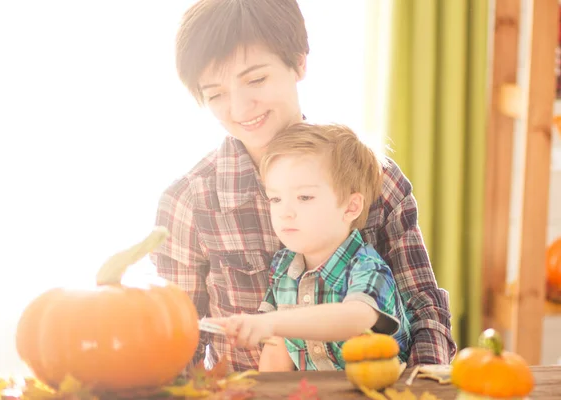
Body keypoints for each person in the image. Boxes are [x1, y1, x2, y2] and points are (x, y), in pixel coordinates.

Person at [151, 0, 456, 372]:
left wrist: (421, 387)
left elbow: (423, 306)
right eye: (216, 94)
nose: (241, 107)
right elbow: (178, 344)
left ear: (298, 61)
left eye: (256, 79)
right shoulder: (189, 202)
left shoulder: (378, 179)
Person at [206, 123, 412, 372]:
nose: (285, 212)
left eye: (304, 197)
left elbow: (353, 319)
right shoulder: (283, 268)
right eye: (276, 199)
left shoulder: (367, 267)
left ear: (350, 207)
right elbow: (277, 347)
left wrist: (271, 322)